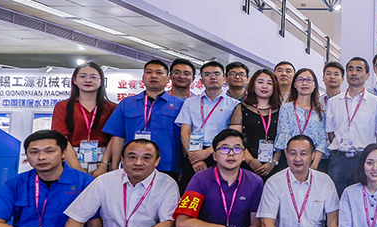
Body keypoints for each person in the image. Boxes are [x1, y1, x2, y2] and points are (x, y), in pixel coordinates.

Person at [97, 59, 184, 181]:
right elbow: (118, 137)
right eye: (149, 72)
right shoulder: (127, 103)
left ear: (168, 79)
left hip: (168, 165)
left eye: (159, 73)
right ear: (143, 77)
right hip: (133, 165)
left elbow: (185, 136)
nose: (153, 76)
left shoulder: (180, 105)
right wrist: (115, 166)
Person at [176, 61, 239, 190]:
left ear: (224, 79)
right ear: (201, 80)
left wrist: (208, 152)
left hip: (222, 153)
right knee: (190, 193)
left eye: (217, 74)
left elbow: (233, 134)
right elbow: (184, 132)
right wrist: (194, 158)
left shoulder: (234, 104)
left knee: (218, 193)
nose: (213, 77)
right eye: (207, 74)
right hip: (193, 152)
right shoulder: (190, 102)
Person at [326, 57, 377, 196]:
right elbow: (330, 133)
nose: (354, 73)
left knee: (361, 198)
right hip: (338, 158)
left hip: (363, 159)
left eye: (359, 69)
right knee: (335, 198)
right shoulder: (333, 102)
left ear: (367, 75)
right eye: (350, 69)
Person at [52, 61, 117, 174]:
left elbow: (115, 138)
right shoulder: (63, 106)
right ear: (74, 80)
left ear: (101, 81)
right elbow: (61, 138)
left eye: (93, 77)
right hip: (71, 157)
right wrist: (76, 167)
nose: (88, 80)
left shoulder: (112, 107)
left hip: (103, 158)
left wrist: (103, 165)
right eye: (83, 76)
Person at [230, 69, 280, 180]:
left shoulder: (281, 110)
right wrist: (250, 161)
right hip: (245, 163)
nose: (264, 86)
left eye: (269, 83)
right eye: (260, 82)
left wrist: (273, 161)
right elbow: (235, 138)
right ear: (253, 85)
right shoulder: (241, 108)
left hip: (273, 166)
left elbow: (283, 139)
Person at [275, 68, 328, 170]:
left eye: (309, 80)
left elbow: (322, 140)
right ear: (295, 84)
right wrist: (292, 162)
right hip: (290, 160)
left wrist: (314, 166)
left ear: (315, 85)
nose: (304, 83)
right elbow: (284, 135)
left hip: (313, 161)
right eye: (300, 80)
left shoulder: (320, 111)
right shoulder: (286, 108)